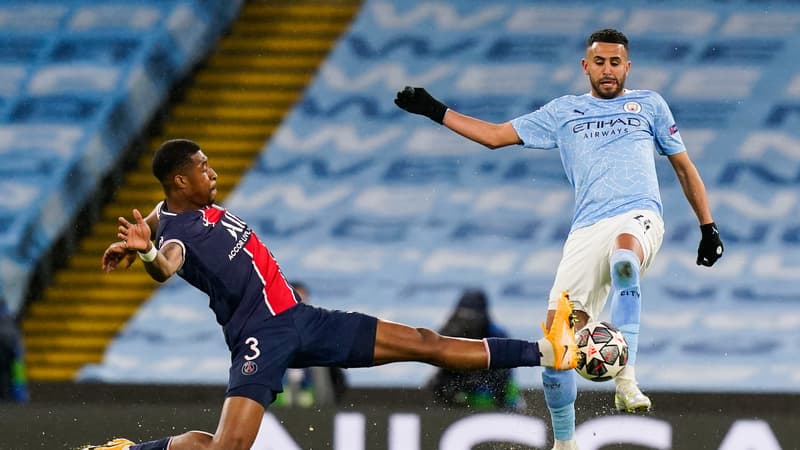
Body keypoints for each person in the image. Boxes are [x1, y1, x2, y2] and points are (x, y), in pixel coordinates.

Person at [86, 138, 578, 450]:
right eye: (203, 166)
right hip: (260, 338)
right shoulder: (176, 238)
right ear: (181, 181)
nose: (212, 172)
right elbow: (166, 265)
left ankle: (546, 350)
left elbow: (160, 215)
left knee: (424, 342)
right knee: (226, 448)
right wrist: (148, 254)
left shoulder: (169, 210)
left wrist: (137, 239)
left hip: (302, 318)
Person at [394, 28, 723, 450]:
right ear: (586, 66)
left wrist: (707, 226)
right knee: (556, 343)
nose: (608, 70)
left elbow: (683, 167)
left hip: (638, 215)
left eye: (615, 62)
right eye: (600, 62)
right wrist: (434, 110)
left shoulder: (650, 105)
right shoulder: (564, 112)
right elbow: (496, 137)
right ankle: (564, 443)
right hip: (586, 230)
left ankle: (626, 380)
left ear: (628, 66)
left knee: (625, 261)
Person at [427, 288, 524, 411]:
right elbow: (436, 352)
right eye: (463, 314)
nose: (467, 321)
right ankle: (442, 413)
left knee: (506, 386)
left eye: (472, 316)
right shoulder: (450, 329)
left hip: (490, 386)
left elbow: (504, 373)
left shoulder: (497, 334)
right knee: (437, 382)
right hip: (461, 384)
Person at [273, 280, 348, 408]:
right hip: (276, 408)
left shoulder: (320, 333)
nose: (299, 304)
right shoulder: (268, 333)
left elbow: (336, 377)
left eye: (302, 298)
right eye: (295, 298)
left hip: (316, 407)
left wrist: (330, 404)